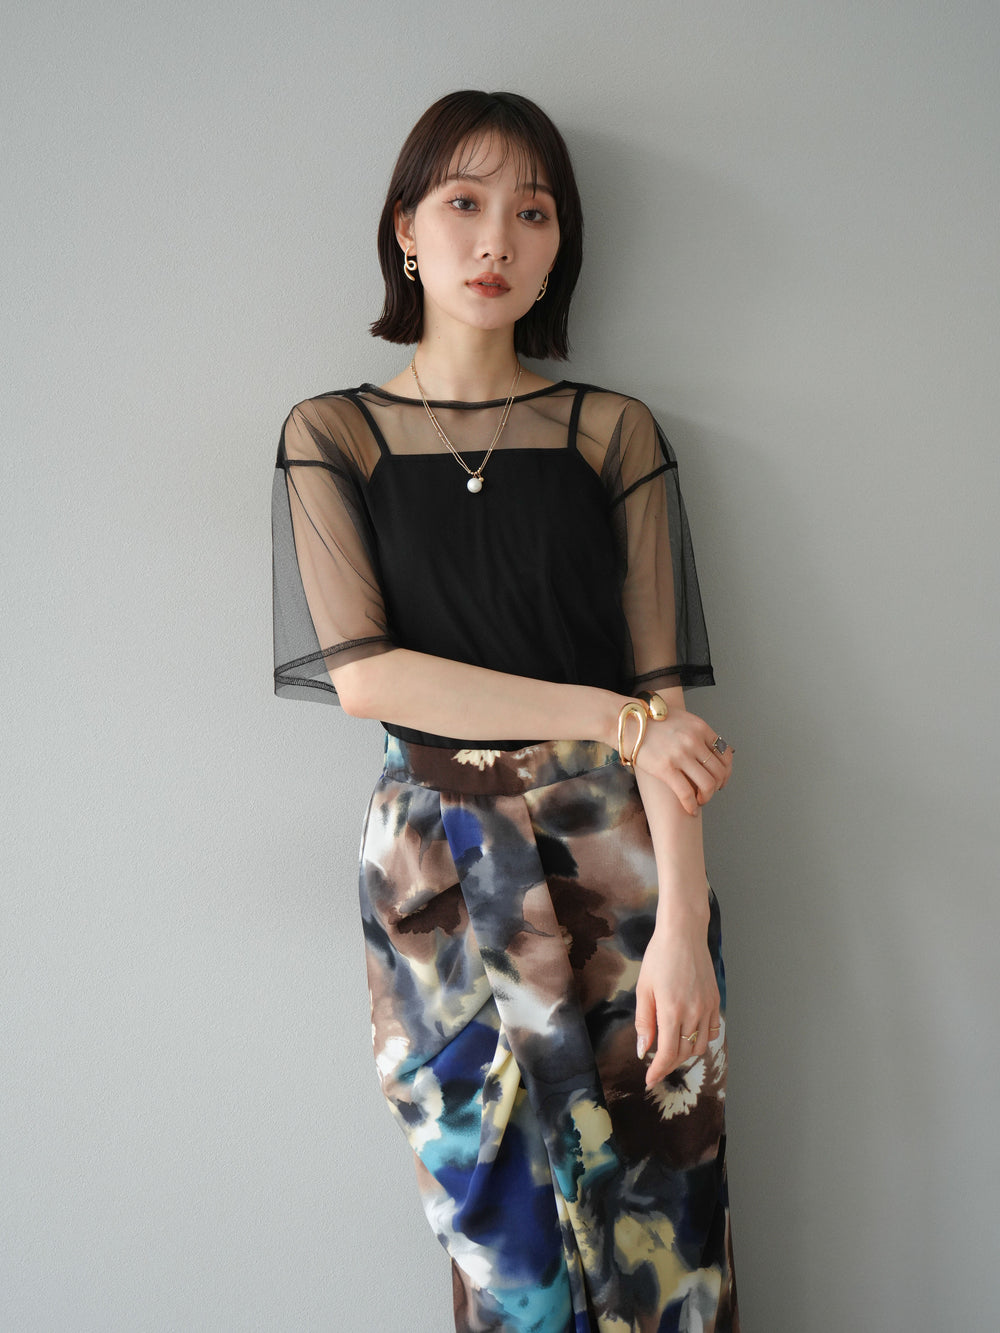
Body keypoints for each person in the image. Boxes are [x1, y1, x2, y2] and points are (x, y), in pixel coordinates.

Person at [272, 90, 739, 1333]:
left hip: (618, 860)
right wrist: (617, 719)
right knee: (507, 1250)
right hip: (433, 862)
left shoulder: (610, 431)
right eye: (463, 204)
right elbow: (370, 678)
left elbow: (665, 701)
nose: (496, 241)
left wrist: (685, 922)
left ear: (558, 243)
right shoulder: (334, 433)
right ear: (405, 229)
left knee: (660, 1222)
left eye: (532, 214)